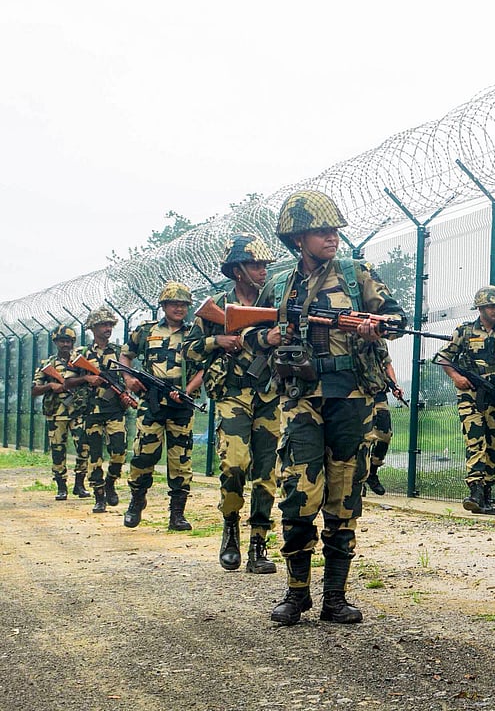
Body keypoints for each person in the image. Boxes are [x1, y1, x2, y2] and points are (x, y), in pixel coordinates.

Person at [245, 190, 407, 625]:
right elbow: (248, 335)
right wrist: (270, 338)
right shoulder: (278, 285)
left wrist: (378, 327)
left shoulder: (357, 275)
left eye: (335, 231)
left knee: (344, 493)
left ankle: (335, 597)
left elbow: (398, 318)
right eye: (321, 231)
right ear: (299, 237)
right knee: (298, 492)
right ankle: (297, 593)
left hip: (352, 397)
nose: (332, 238)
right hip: (299, 399)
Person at [184, 233, 280, 574]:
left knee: (267, 473)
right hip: (232, 394)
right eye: (255, 265)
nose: (263, 271)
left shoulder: (276, 300)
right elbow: (188, 350)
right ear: (237, 270)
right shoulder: (218, 306)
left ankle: (258, 544)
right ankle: (230, 528)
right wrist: (216, 340)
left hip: (269, 393)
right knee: (235, 465)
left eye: (264, 264)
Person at [121, 281, 202, 531]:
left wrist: (186, 392)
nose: (179, 308)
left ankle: (177, 514)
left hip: (181, 404)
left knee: (180, 460)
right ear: (164, 306)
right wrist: (129, 379)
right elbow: (125, 356)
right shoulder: (146, 331)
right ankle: (136, 500)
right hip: (152, 402)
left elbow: (203, 368)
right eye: (174, 304)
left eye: (184, 304)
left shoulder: (195, 334)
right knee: (143, 454)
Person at [438, 285, 495, 515]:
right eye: (491, 306)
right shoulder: (464, 331)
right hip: (471, 397)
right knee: (476, 441)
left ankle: (486, 493)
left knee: (493, 446)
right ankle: (474, 490)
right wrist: (456, 377)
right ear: (481, 308)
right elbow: (443, 357)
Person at [63, 307, 129, 513]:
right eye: (103, 325)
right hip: (91, 411)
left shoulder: (119, 352)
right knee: (94, 456)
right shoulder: (81, 354)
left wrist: (126, 394)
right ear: (93, 328)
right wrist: (86, 378)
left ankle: (110, 482)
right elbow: (66, 382)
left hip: (115, 410)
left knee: (119, 452)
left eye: (110, 325)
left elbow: (126, 377)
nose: (108, 328)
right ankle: (99, 495)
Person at [32, 325, 79, 501]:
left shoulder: (79, 362)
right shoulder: (48, 365)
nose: (65, 344)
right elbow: (34, 390)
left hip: (78, 411)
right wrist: (51, 386)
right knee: (58, 450)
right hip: (56, 413)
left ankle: (80, 484)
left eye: (68, 341)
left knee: (84, 448)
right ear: (56, 343)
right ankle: (61, 486)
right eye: (61, 341)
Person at [363, 340, 404, 496]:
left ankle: (372, 472)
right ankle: (358, 479)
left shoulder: (379, 340)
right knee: (361, 438)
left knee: (385, 435)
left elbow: (387, 364)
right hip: (357, 392)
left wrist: (395, 385)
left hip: (378, 393)